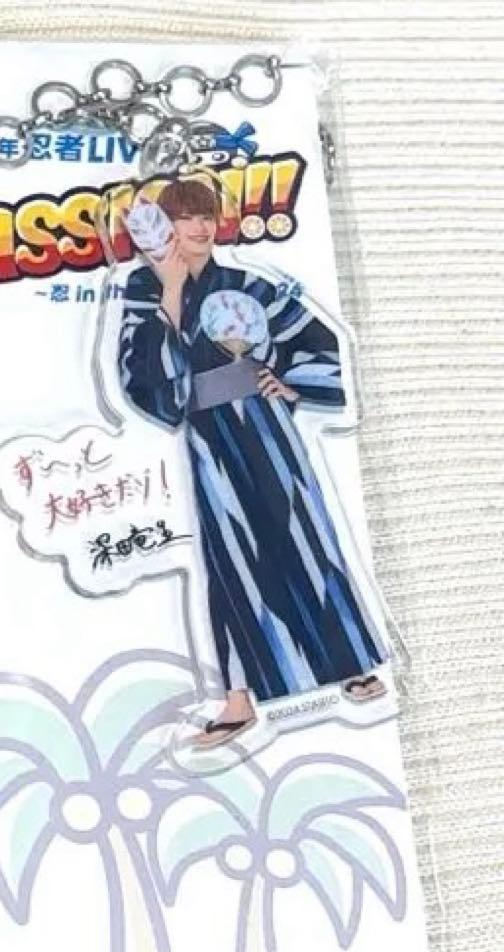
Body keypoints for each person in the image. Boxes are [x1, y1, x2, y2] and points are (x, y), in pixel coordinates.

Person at [119, 178, 387, 749]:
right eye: (184, 217)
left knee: (305, 535)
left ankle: (350, 664)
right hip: (209, 434)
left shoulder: (249, 285)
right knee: (231, 554)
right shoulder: (145, 288)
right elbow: (144, 380)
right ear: (163, 226)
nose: (199, 227)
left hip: (268, 428)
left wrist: (291, 384)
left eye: (205, 216)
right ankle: (239, 699)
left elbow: (319, 344)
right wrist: (171, 287)